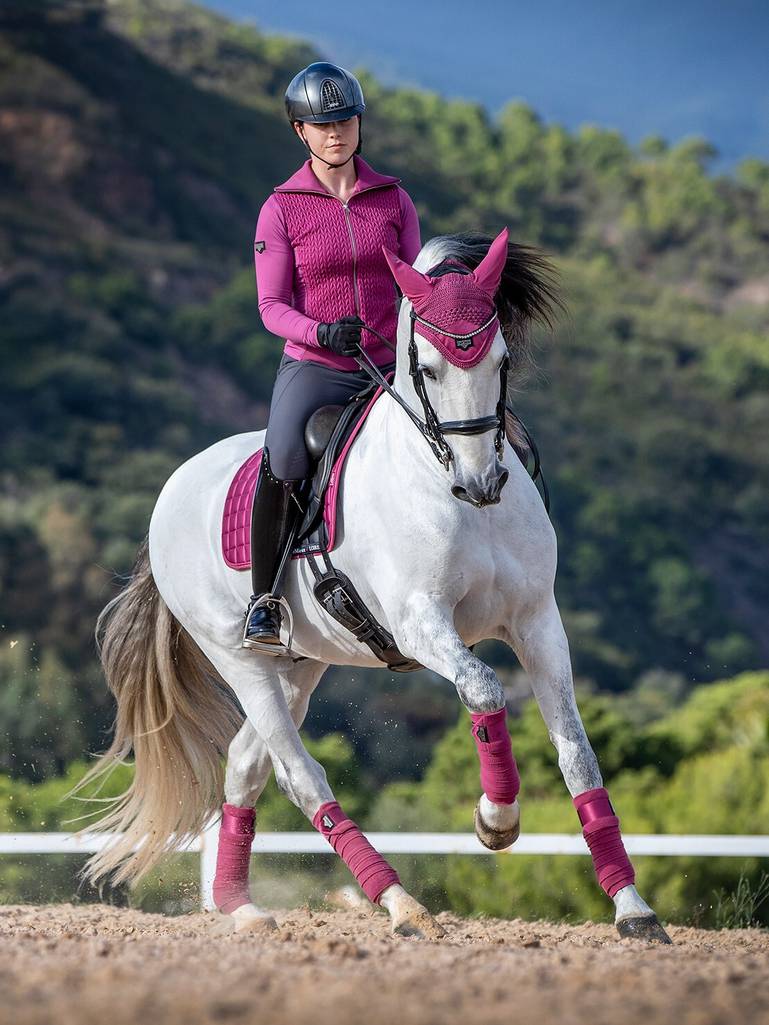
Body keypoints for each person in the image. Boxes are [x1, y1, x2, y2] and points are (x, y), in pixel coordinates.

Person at [243, 61, 422, 652]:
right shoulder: (282, 208)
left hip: (388, 366)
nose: (335, 133)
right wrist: (322, 332)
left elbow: (415, 288)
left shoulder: (393, 200)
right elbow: (271, 307)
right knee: (285, 452)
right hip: (316, 365)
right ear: (300, 131)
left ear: (359, 122)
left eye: (345, 120)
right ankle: (264, 600)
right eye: (321, 125)